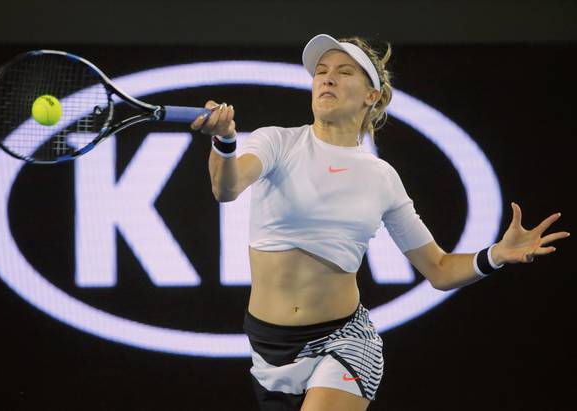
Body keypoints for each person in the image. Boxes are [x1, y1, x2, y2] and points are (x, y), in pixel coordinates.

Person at [190, 34, 569, 411]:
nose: (327, 79)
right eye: (321, 72)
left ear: (372, 95)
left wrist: (496, 255)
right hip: (267, 348)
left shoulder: (381, 177)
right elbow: (228, 187)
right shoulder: (276, 141)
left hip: (345, 342)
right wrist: (224, 140)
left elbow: (438, 269)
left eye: (344, 72)